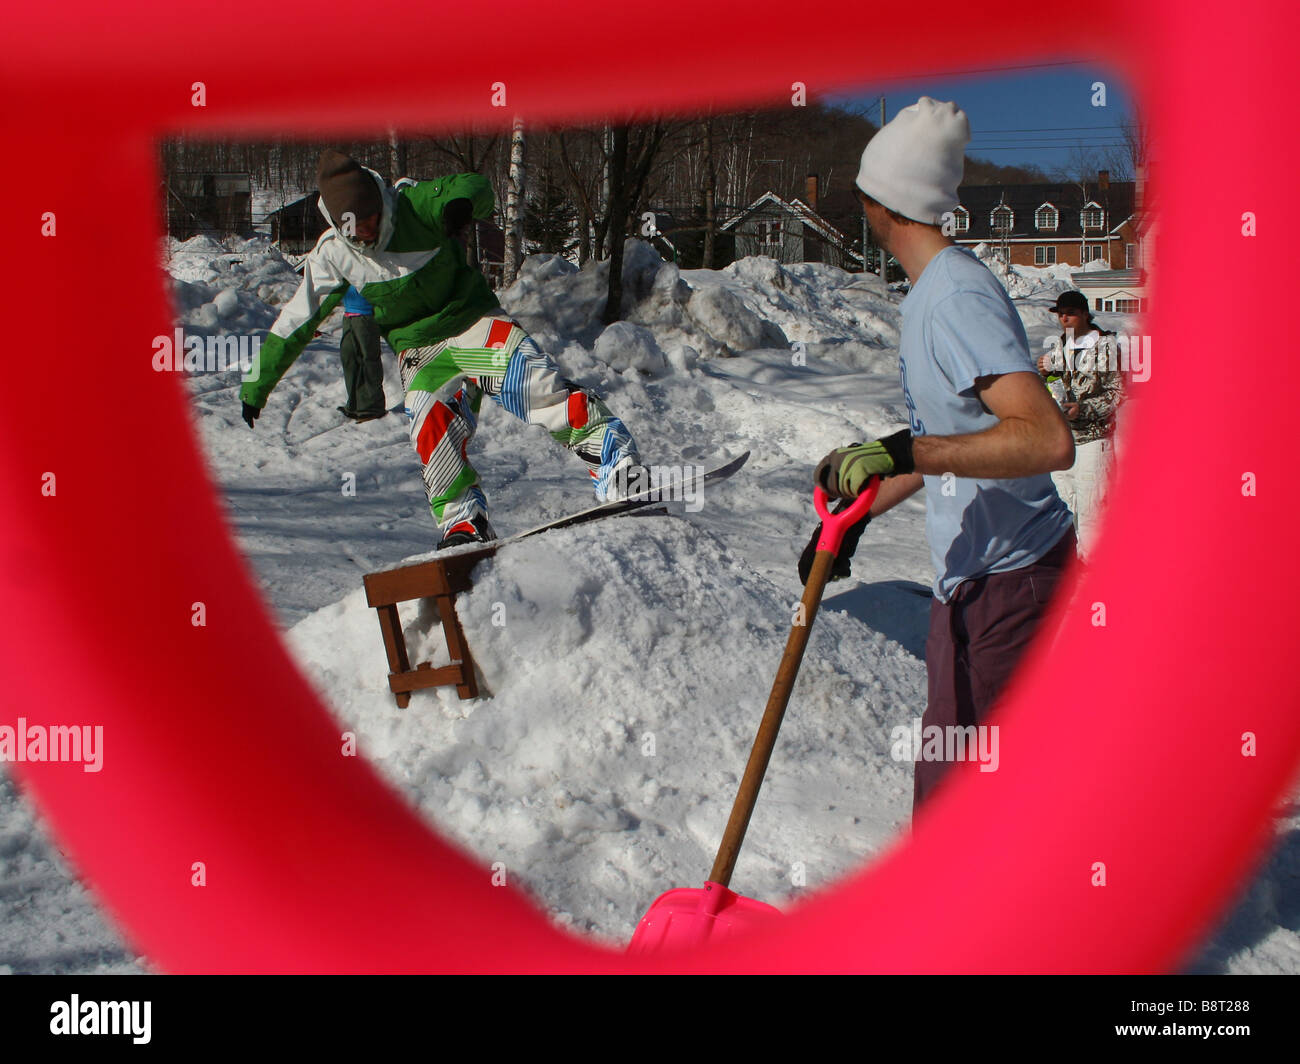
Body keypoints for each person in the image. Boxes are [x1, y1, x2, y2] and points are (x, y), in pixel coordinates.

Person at [807, 98, 1077, 813]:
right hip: (973, 580)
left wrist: (903, 447)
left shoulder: (957, 298)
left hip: (1012, 584)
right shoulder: (930, 295)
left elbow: (1045, 438)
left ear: (885, 202)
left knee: (968, 801)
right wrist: (857, 512)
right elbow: (948, 442)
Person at [240, 150, 643, 549]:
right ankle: (463, 523)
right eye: (356, 228)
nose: (367, 231)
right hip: (420, 351)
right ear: (338, 224)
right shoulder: (331, 254)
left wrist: (461, 206)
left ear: (380, 203)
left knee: (537, 388)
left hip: (473, 324)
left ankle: (618, 467)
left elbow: (473, 185)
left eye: (372, 218)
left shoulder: (413, 205)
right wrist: (256, 386)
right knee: (429, 428)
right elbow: (296, 322)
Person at [1037, 290, 1122, 557]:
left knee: (1092, 514)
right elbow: (1053, 390)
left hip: (1094, 440)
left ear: (1085, 314)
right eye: (1061, 313)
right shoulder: (1059, 347)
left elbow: (1118, 393)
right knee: (1066, 510)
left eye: (1071, 312)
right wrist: (1045, 374)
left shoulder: (1106, 346)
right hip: (1063, 442)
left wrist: (1083, 408)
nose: (1065, 318)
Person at [337, 284, 388, 423]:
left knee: (369, 360)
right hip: (349, 313)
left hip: (365, 313)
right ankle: (355, 405)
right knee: (350, 360)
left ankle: (373, 408)